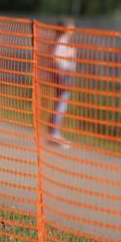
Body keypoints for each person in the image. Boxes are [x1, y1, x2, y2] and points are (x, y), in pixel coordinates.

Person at [47, 18, 77, 148]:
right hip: (62, 74)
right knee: (61, 103)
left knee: (60, 103)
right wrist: (68, 53)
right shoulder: (61, 41)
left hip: (63, 74)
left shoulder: (62, 40)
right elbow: (55, 57)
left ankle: (53, 132)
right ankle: (54, 133)